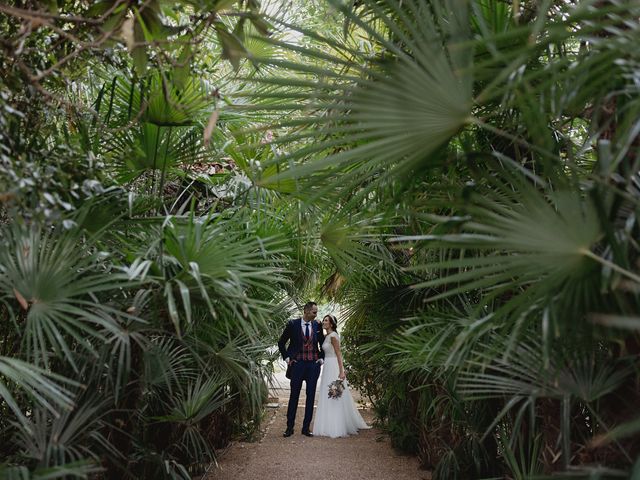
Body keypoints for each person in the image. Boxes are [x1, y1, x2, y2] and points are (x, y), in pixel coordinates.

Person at [313, 314, 370, 438]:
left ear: (331, 324)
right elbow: (318, 336)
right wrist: (317, 324)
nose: (324, 321)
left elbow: (339, 354)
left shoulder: (333, 336)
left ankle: (336, 426)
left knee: (335, 394)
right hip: (327, 367)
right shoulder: (326, 336)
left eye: (326, 320)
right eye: (323, 320)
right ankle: (327, 424)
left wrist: (341, 371)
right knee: (327, 394)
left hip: (334, 367)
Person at [278, 301, 325, 437]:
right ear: (306, 311)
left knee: (310, 397)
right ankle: (289, 428)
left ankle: (306, 428)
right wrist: (287, 358)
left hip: (312, 366)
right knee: (294, 396)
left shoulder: (317, 325)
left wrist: (321, 359)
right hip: (297, 365)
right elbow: (281, 342)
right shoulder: (292, 324)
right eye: (314, 312)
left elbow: (322, 344)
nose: (316, 315)